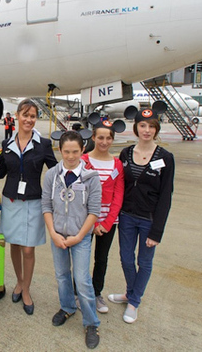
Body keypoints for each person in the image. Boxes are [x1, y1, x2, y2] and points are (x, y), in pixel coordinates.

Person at [109, 108, 175, 324]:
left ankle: (134, 301)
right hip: (127, 216)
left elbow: (166, 196)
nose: (147, 130)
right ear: (136, 127)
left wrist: (157, 231)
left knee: (144, 262)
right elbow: (117, 185)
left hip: (149, 219)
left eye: (152, 126)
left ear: (156, 129)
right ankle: (130, 293)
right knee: (126, 259)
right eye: (143, 125)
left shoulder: (165, 158)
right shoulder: (125, 153)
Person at [42, 130, 102, 349]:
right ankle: (67, 307)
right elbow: (46, 206)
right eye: (66, 151)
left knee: (82, 279)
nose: (70, 156)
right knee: (61, 275)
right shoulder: (52, 175)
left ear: (82, 150)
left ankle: (91, 323)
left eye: (75, 152)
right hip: (57, 235)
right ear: (60, 150)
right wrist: (53, 233)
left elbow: (94, 212)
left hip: (81, 236)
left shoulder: (91, 178)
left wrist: (79, 236)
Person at [0, 99, 57, 315]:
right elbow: (0, 172)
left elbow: (54, 170)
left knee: (28, 248)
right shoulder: (6, 144)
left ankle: (27, 290)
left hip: (33, 201)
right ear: (17, 116)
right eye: (25, 115)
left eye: (33, 116)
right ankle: (19, 282)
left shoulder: (43, 144)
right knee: (14, 244)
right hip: (11, 201)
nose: (29, 119)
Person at [81, 121, 124, 314]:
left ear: (112, 140)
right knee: (82, 257)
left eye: (108, 138)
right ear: (93, 138)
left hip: (108, 223)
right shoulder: (83, 161)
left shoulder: (117, 164)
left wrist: (105, 224)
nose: (104, 142)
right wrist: (94, 222)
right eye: (100, 137)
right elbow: (79, 195)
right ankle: (79, 292)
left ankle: (97, 292)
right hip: (85, 220)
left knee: (102, 258)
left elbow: (118, 196)